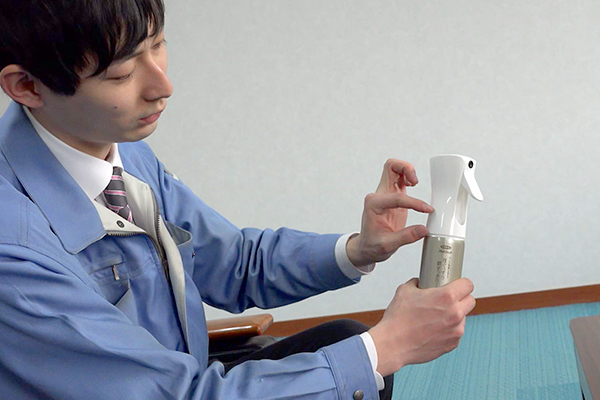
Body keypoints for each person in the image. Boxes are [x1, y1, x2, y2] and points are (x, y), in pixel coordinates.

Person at [0, 0, 476, 399]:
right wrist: (388, 345)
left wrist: (358, 249)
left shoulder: (122, 153)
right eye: (122, 73)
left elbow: (233, 262)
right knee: (361, 360)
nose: (163, 86)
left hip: (180, 373)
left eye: (157, 45)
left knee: (347, 343)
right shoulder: (13, 251)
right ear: (27, 86)